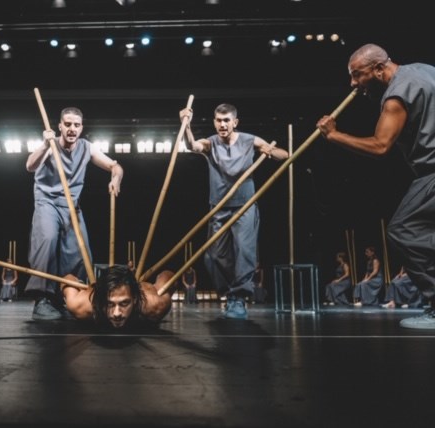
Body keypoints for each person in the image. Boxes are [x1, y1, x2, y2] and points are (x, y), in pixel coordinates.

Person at [316, 43, 435, 328]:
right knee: (421, 229)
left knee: (402, 229)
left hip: (431, 172)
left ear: (379, 69)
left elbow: (380, 146)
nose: (353, 83)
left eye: (357, 75)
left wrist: (334, 136)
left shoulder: (396, 96)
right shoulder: (424, 70)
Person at [180, 103, 289, 319]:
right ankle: (230, 292)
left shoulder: (249, 140)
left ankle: (238, 298)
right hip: (219, 206)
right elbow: (193, 146)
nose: (222, 124)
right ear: (214, 122)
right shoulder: (211, 143)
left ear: (235, 122)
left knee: (244, 252)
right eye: (219, 120)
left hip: (245, 206)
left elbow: (284, 155)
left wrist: (269, 151)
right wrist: (186, 125)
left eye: (226, 120)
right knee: (213, 256)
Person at [24, 107, 124, 321]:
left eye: (76, 125)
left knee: (80, 249)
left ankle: (69, 297)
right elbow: (30, 166)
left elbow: (115, 166)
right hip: (47, 201)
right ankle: (42, 300)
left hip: (71, 206)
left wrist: (116, 178)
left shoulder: (87, 147)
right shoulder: (51, 145)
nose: (72, 129)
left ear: (81, 127)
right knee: (47, 239)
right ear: (60, 126)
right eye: (67, 124)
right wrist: (45, 144)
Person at [61, 265, 176, 331]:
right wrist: (82, 286)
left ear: (135, 299)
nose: (116, 314)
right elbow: (68, 279)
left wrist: (166, 285)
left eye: (124, 303)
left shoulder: (155, 306)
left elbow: (168, 276)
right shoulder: (80, 306)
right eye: (109, 304)